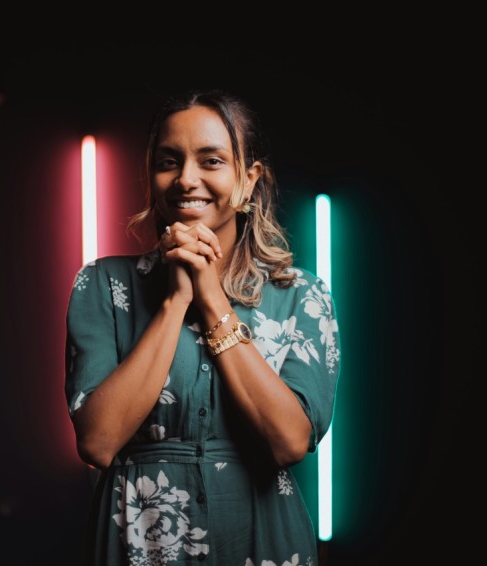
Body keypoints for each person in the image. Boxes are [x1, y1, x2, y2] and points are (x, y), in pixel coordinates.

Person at [65, 89, 340, 565]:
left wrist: (212, 298)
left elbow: (289, 441)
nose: (186, 179)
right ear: (152, 177)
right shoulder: (103, 285)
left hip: (260, 537)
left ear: (248, 180)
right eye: (169, 161)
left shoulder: (301, 296)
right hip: (140, 539)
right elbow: (98, 442)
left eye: (211, 161)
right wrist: (175, 302)